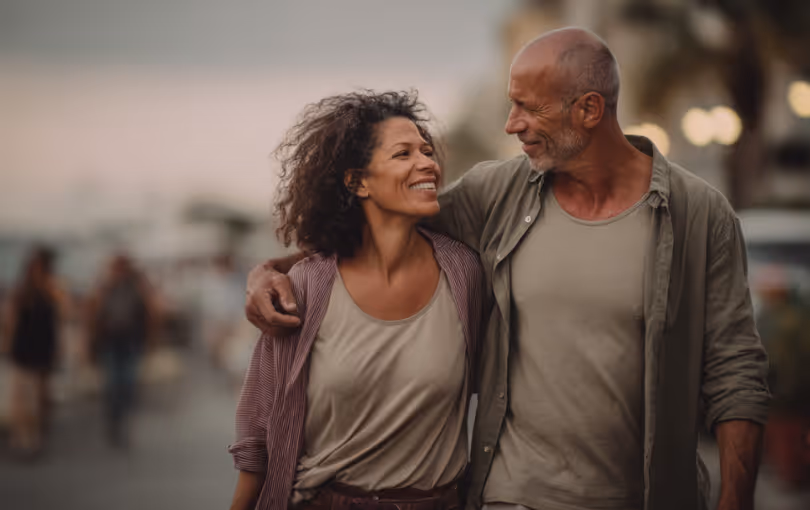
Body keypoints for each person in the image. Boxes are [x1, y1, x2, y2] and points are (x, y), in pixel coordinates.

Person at [244, 28, 770, 510]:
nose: (511, 124)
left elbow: (734, 368)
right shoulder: (498, 193)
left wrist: (735, 500)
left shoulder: (698, 214)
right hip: (512, 496)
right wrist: (272, 270)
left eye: (527, 108)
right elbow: (376, 227)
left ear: (588, 110)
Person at [227, 91, 484, 510]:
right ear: (357, 181)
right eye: (403, 153)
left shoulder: (464, 273)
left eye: (427, 150)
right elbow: (257, 429)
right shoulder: (307, 285)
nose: (428, 163)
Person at [1, 246, 68, 456]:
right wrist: (7, 343)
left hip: (43, 348)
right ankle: (23, 437)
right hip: (23, 347)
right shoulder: (21, 290)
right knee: (20, 396)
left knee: (40, 396)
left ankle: (35, 435)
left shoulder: (53, 287)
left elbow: (65, 313)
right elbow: (10, 318)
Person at [86, 253, 158, 447]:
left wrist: (151, 341)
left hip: (130, 341)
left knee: (128, 384)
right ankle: (114, 421)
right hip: (110, 341)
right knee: (112, 384)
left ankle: (121, 422)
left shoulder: (137, 286)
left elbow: (151, 310)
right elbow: (93, 312)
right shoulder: (105, 286)